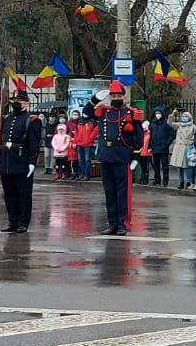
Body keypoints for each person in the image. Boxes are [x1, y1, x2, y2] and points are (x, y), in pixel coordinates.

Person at [93, 81, 142, 235]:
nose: (116, 98)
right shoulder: (104, 112)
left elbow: (138, 137)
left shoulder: (131, 113)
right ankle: (112, 223)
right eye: (113, 95)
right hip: (106, 156)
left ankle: (122, 224)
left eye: (118, 95)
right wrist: (94, 99)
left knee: (122, 193)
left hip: (122, 156)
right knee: (109, 192)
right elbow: (87, 113)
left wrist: (136, 157)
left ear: (123, 96)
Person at [0, 88, 42, 234]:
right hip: (7, 161)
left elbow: (34, 143)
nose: (17, 103)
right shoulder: (6, 119)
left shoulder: (31, 120)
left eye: (20, 101)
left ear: (26, 103)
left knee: (23, 194)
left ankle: (23, 222)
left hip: (21, 161)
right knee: (9, 194)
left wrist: (32, 162)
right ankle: (12, 221)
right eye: (15, 101)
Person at [170, 111, 196, 189]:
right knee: (179, 166)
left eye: (186, 116)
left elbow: (195, 136)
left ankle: (189, 181)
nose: (184, 117)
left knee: (188, 166)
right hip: (179, 147)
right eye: (183, 116)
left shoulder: (193, 126)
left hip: (188, 147)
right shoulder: (179, 125)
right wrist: (173, 114)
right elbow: (169, 123)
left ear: (189, 118)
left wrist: (191, 142)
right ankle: (181, 181)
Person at [149, 109, 174, 186]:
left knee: (164, 165)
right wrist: (150, 146)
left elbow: (172, 134)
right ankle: (157, 179)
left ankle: (165, 180)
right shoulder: (152, 124)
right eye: (156, 113)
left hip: (163, 148)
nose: (158, 115)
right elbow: (150, 136)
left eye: (159, 113)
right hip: (155, 147)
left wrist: (167, 143)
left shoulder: (166, 124)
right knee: (156, 165)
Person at [72, 112, 96, 181]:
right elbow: (76, 132)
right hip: (80, 143)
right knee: (80, 160)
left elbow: (96, 130)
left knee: (87, 160)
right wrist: (75, 142)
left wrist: (90, 138)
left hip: (88, 144)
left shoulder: (92, 121)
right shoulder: (80, 121)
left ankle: (86, 174)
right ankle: (82, 174)